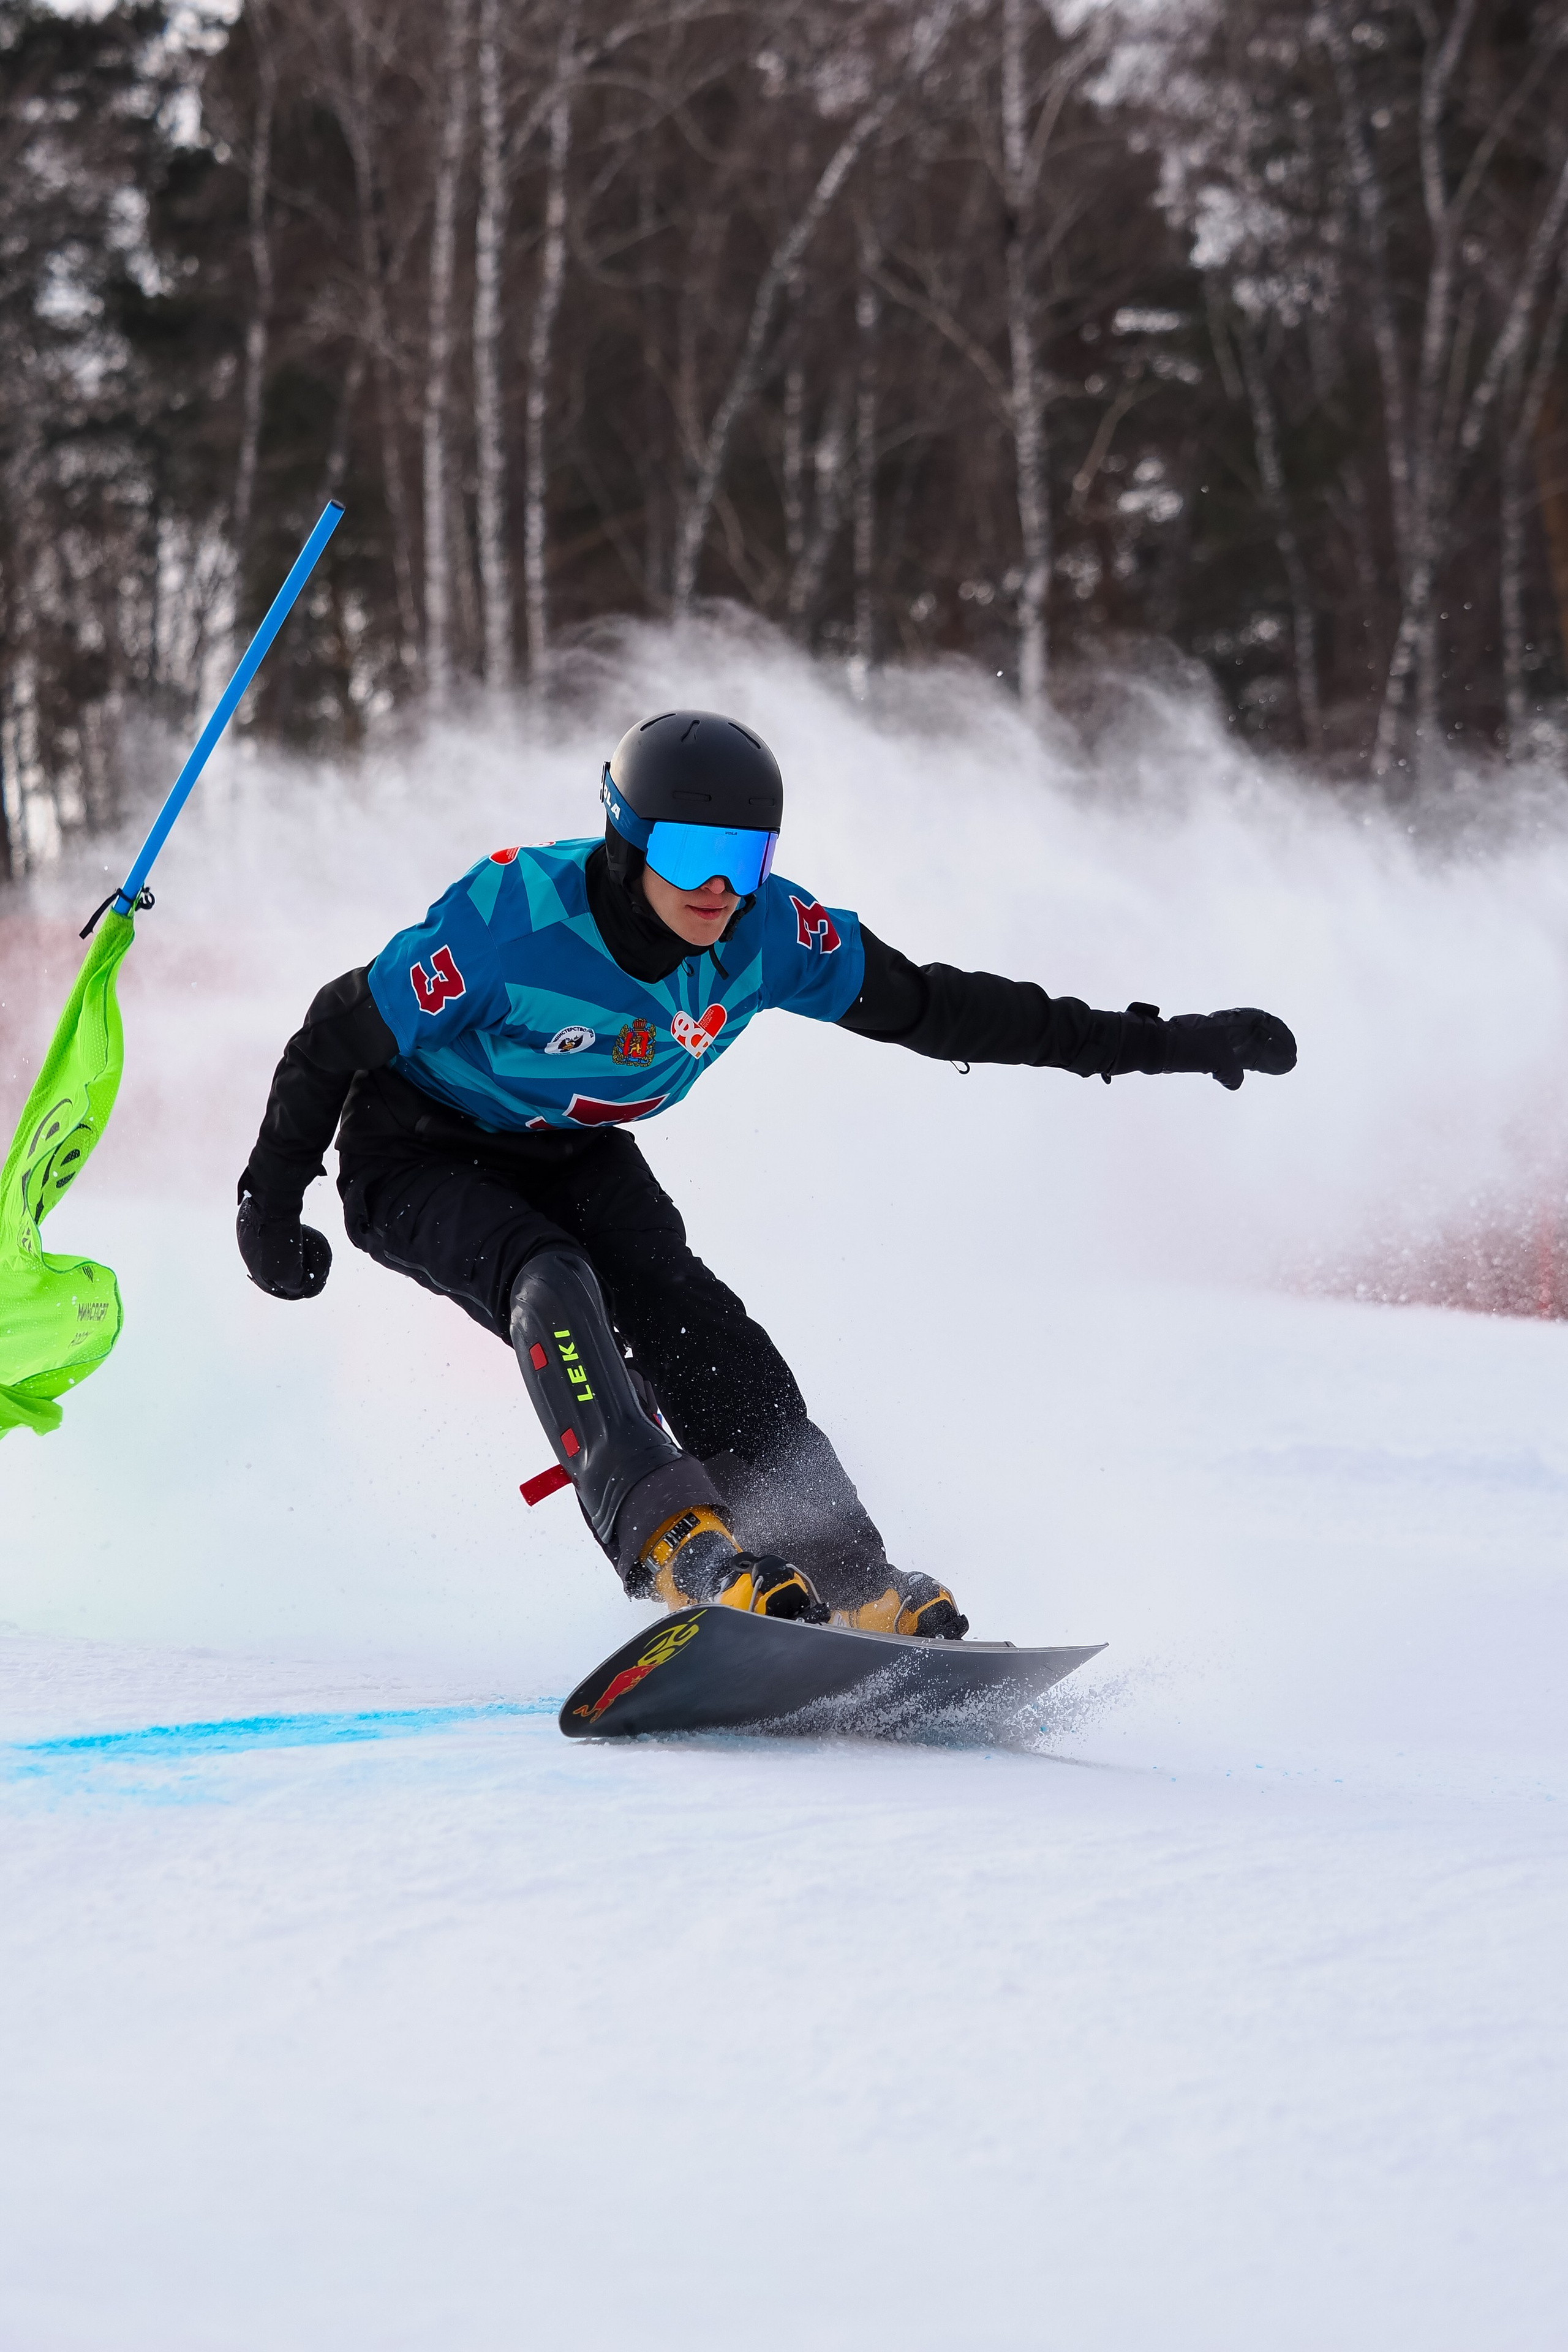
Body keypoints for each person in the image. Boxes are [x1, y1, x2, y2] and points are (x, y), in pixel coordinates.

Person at [236, 709, 1297, 1640]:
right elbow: (336, 1032)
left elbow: (941, 1009)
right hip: (414, 1146)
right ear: (628, 837)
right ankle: (674, 1547)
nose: (716, 888)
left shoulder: (770, 935)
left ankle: (845, 1570)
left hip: (576, 1148)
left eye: (743, 859)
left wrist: (1171, 1042)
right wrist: (270, 1201)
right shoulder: (511, 922)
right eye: (692, 853)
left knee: (696, 1320)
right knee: (550, 1278)